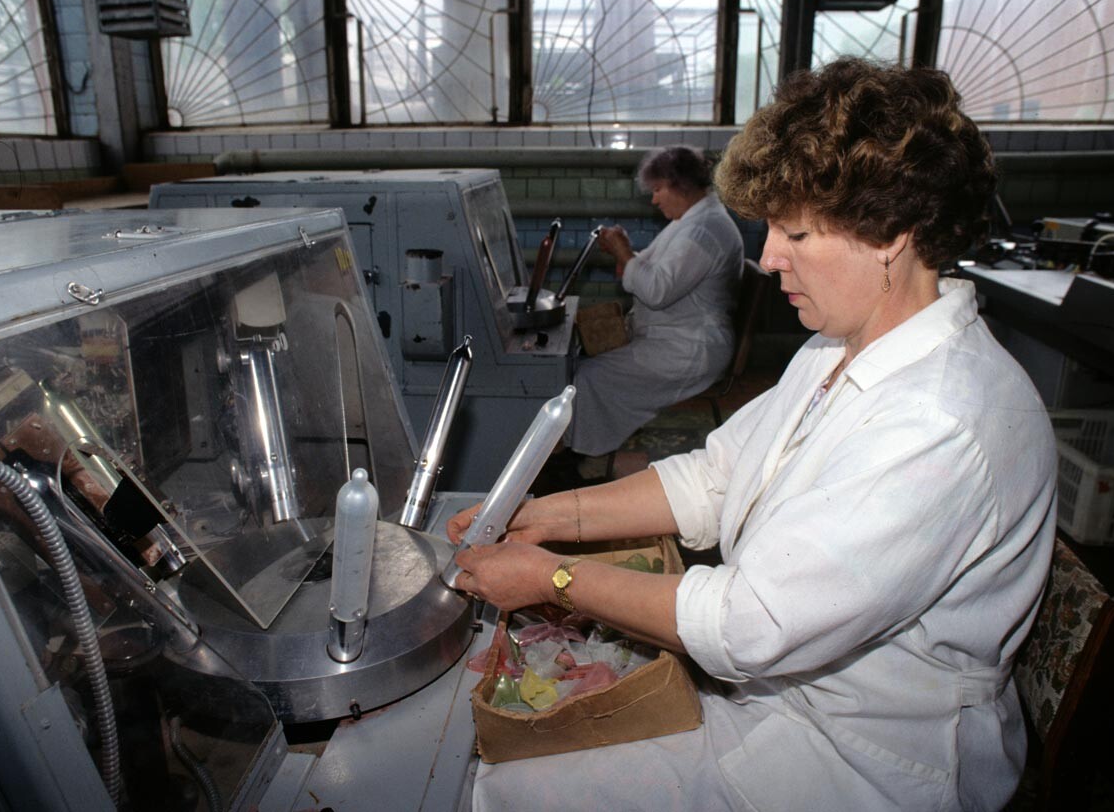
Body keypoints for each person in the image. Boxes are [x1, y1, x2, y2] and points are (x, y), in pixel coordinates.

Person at [450, 57, 1056, 811]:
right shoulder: (838, 348)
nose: (767, 258)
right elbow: (714, 474)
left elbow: (749, 624)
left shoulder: (941, 421)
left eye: (794, 232)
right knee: (504, 779)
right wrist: (547, 516)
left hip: (874, 764)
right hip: (782, 706)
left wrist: (553, 577)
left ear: (893, 234)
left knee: (502, 796)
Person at [563, 145, 744, 466]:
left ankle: (581, 458)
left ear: (682, 185)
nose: (654, 199)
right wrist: (626, 251)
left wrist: (623, 253)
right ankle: (585, 450)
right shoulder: (690, 221)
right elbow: (648, 269)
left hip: (689, 348)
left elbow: (657, 289)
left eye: (659, 189)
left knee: (588, 377)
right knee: (583, 370)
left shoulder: (704, 229)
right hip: (677, 340)